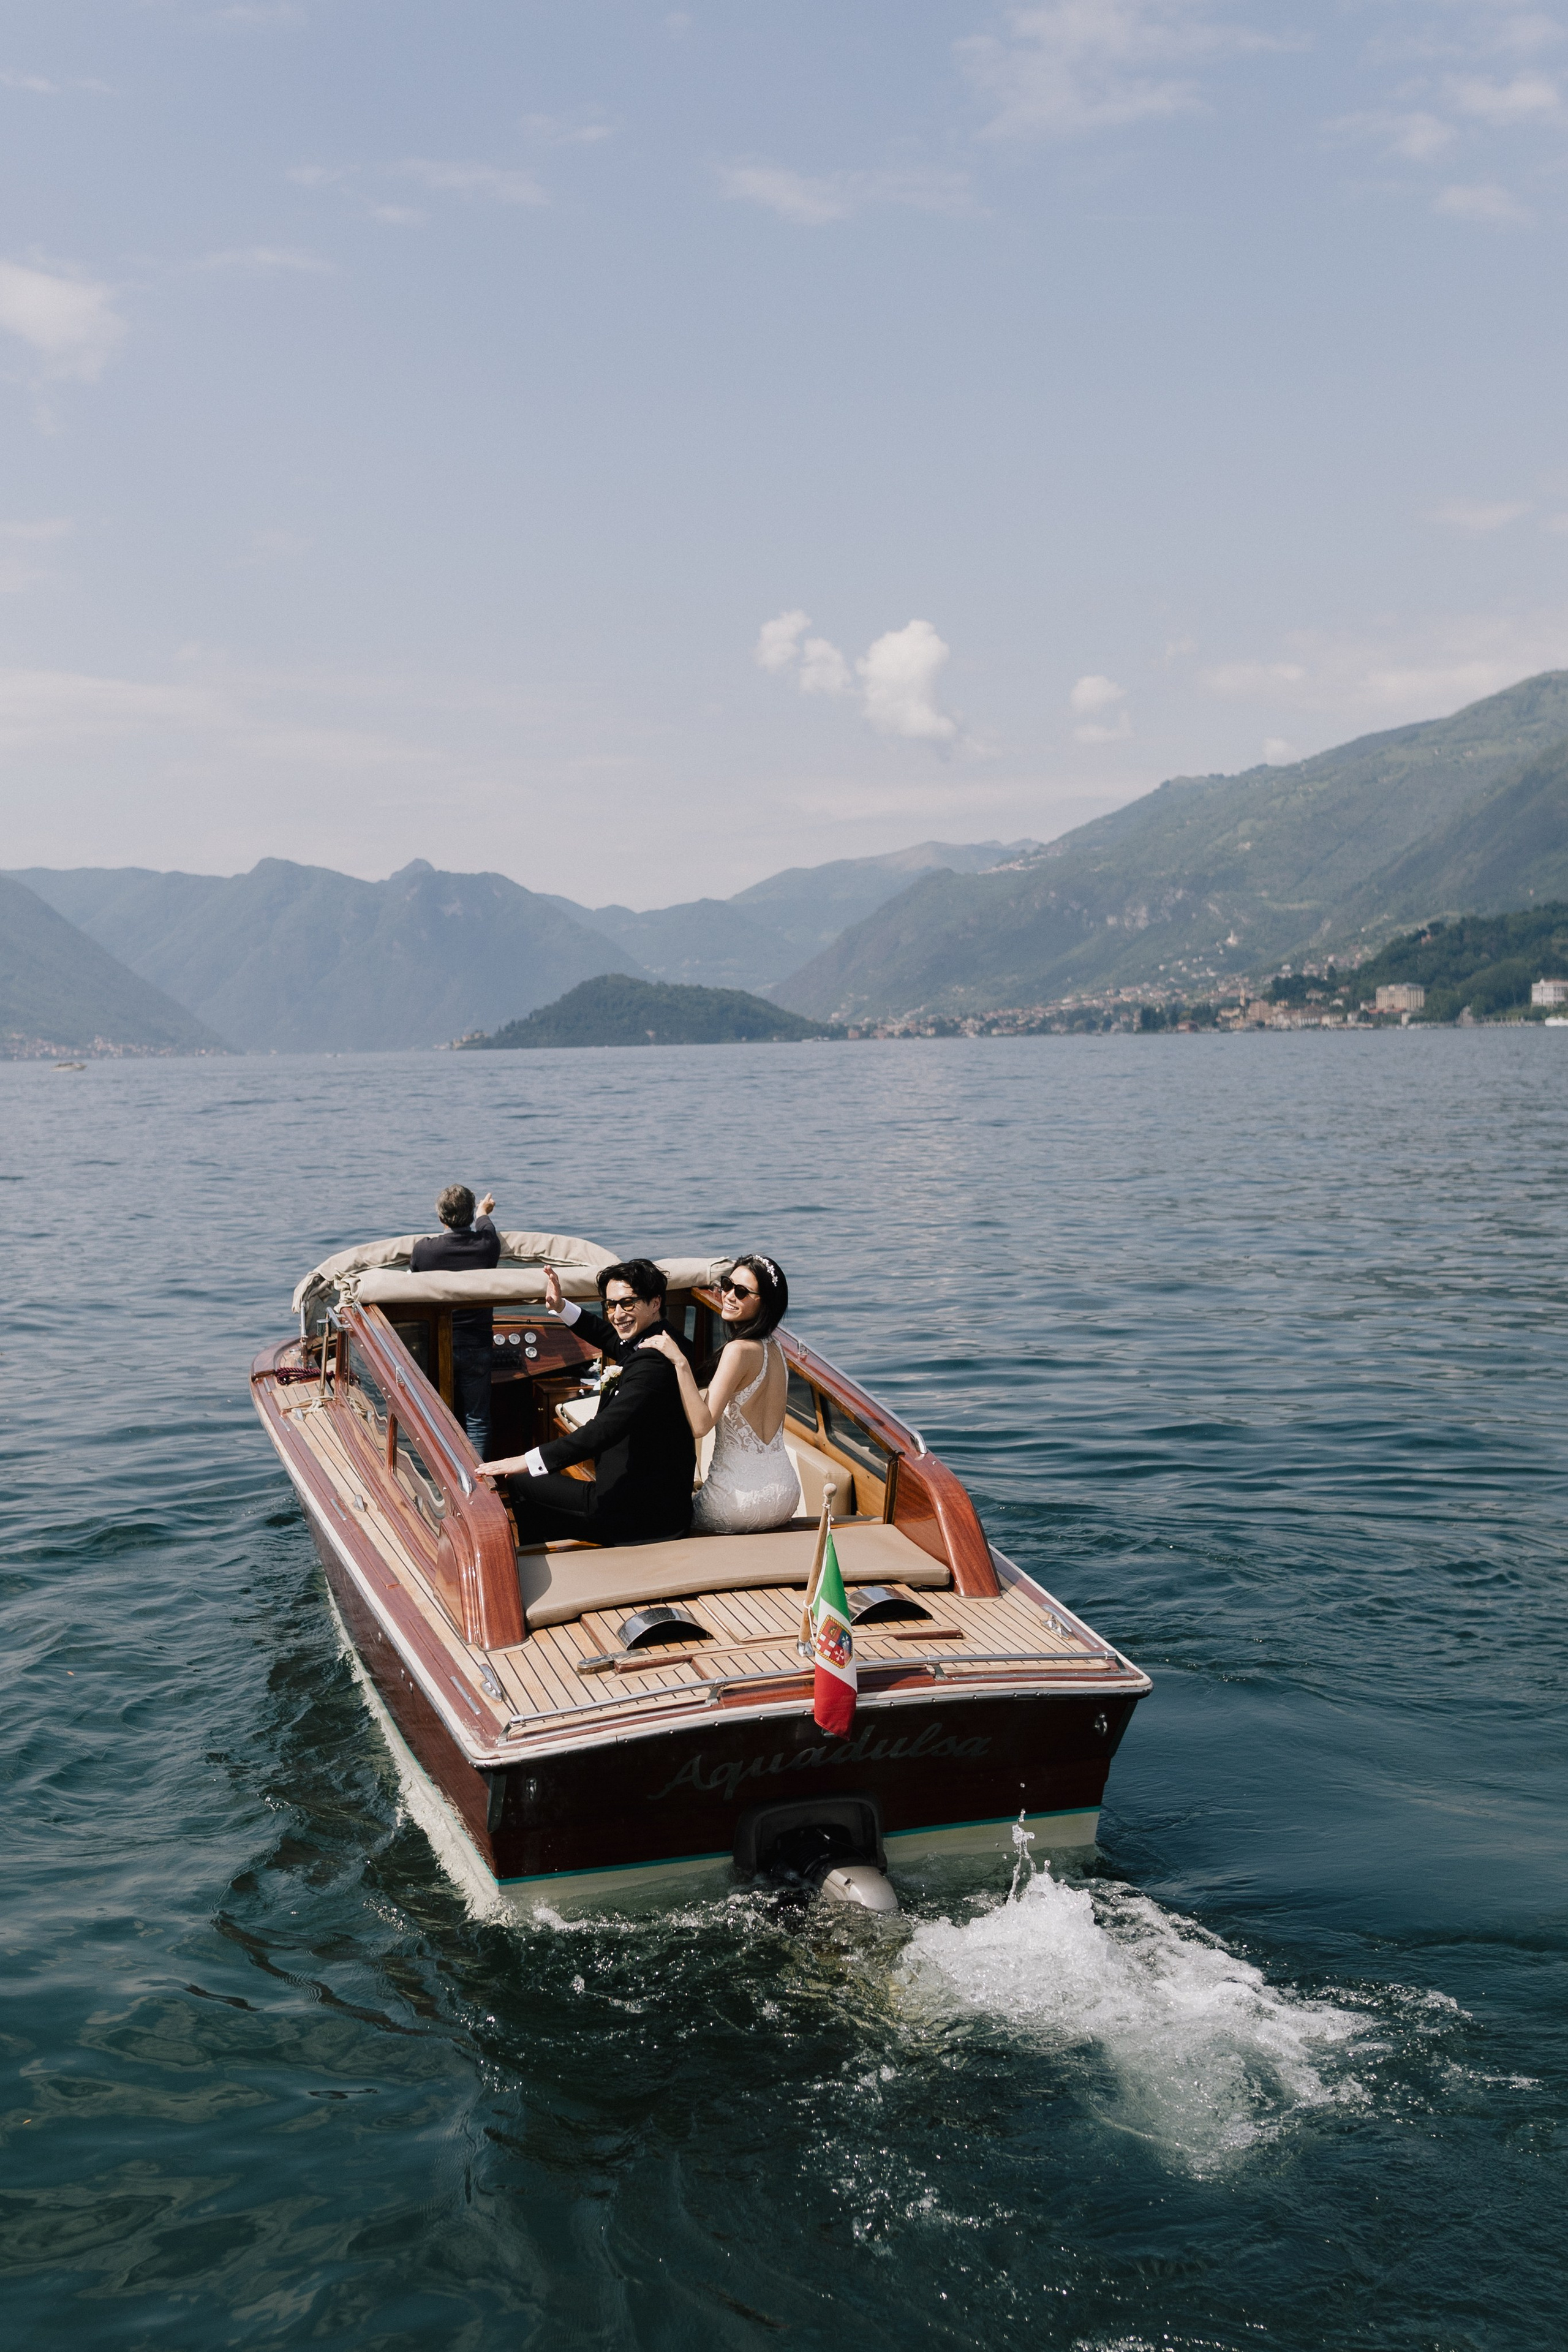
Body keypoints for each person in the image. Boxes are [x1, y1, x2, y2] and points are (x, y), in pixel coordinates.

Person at [481, 1259, 696, 1547]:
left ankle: (534, 1553)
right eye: (610, 1305)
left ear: (655, 1302)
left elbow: (603, 1430)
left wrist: (525, 1460)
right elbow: (608, 1336)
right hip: (663, 1505)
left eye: (628, 1303)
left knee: (522, 1480)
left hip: (638, 1518)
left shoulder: (653, 1364)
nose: (617, 1314)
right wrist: (560, 1306)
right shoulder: (665, 1340)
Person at [639, 1255, 800, 1534]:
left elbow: (702, 1425)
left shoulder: (737, 1351)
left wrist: (680, 1361)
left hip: (736, 1504)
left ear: (765, 1302)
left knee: (652, 1518)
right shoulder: (777, 1349)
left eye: (742, 1292)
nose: (728, 1296)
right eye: (727, 1285)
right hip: (786, 1496)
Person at [410, 1185, 500, 1457]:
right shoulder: (487, 1246)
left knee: (436, 1416)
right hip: (477, 1344)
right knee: (478, 1419)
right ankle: (481, 1481)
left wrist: (479, 1214)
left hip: (437, 1346)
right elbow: (486, 1228)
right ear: (469, 1214)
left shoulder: (425, 1250)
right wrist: (483, 1213)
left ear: (441, 1218)